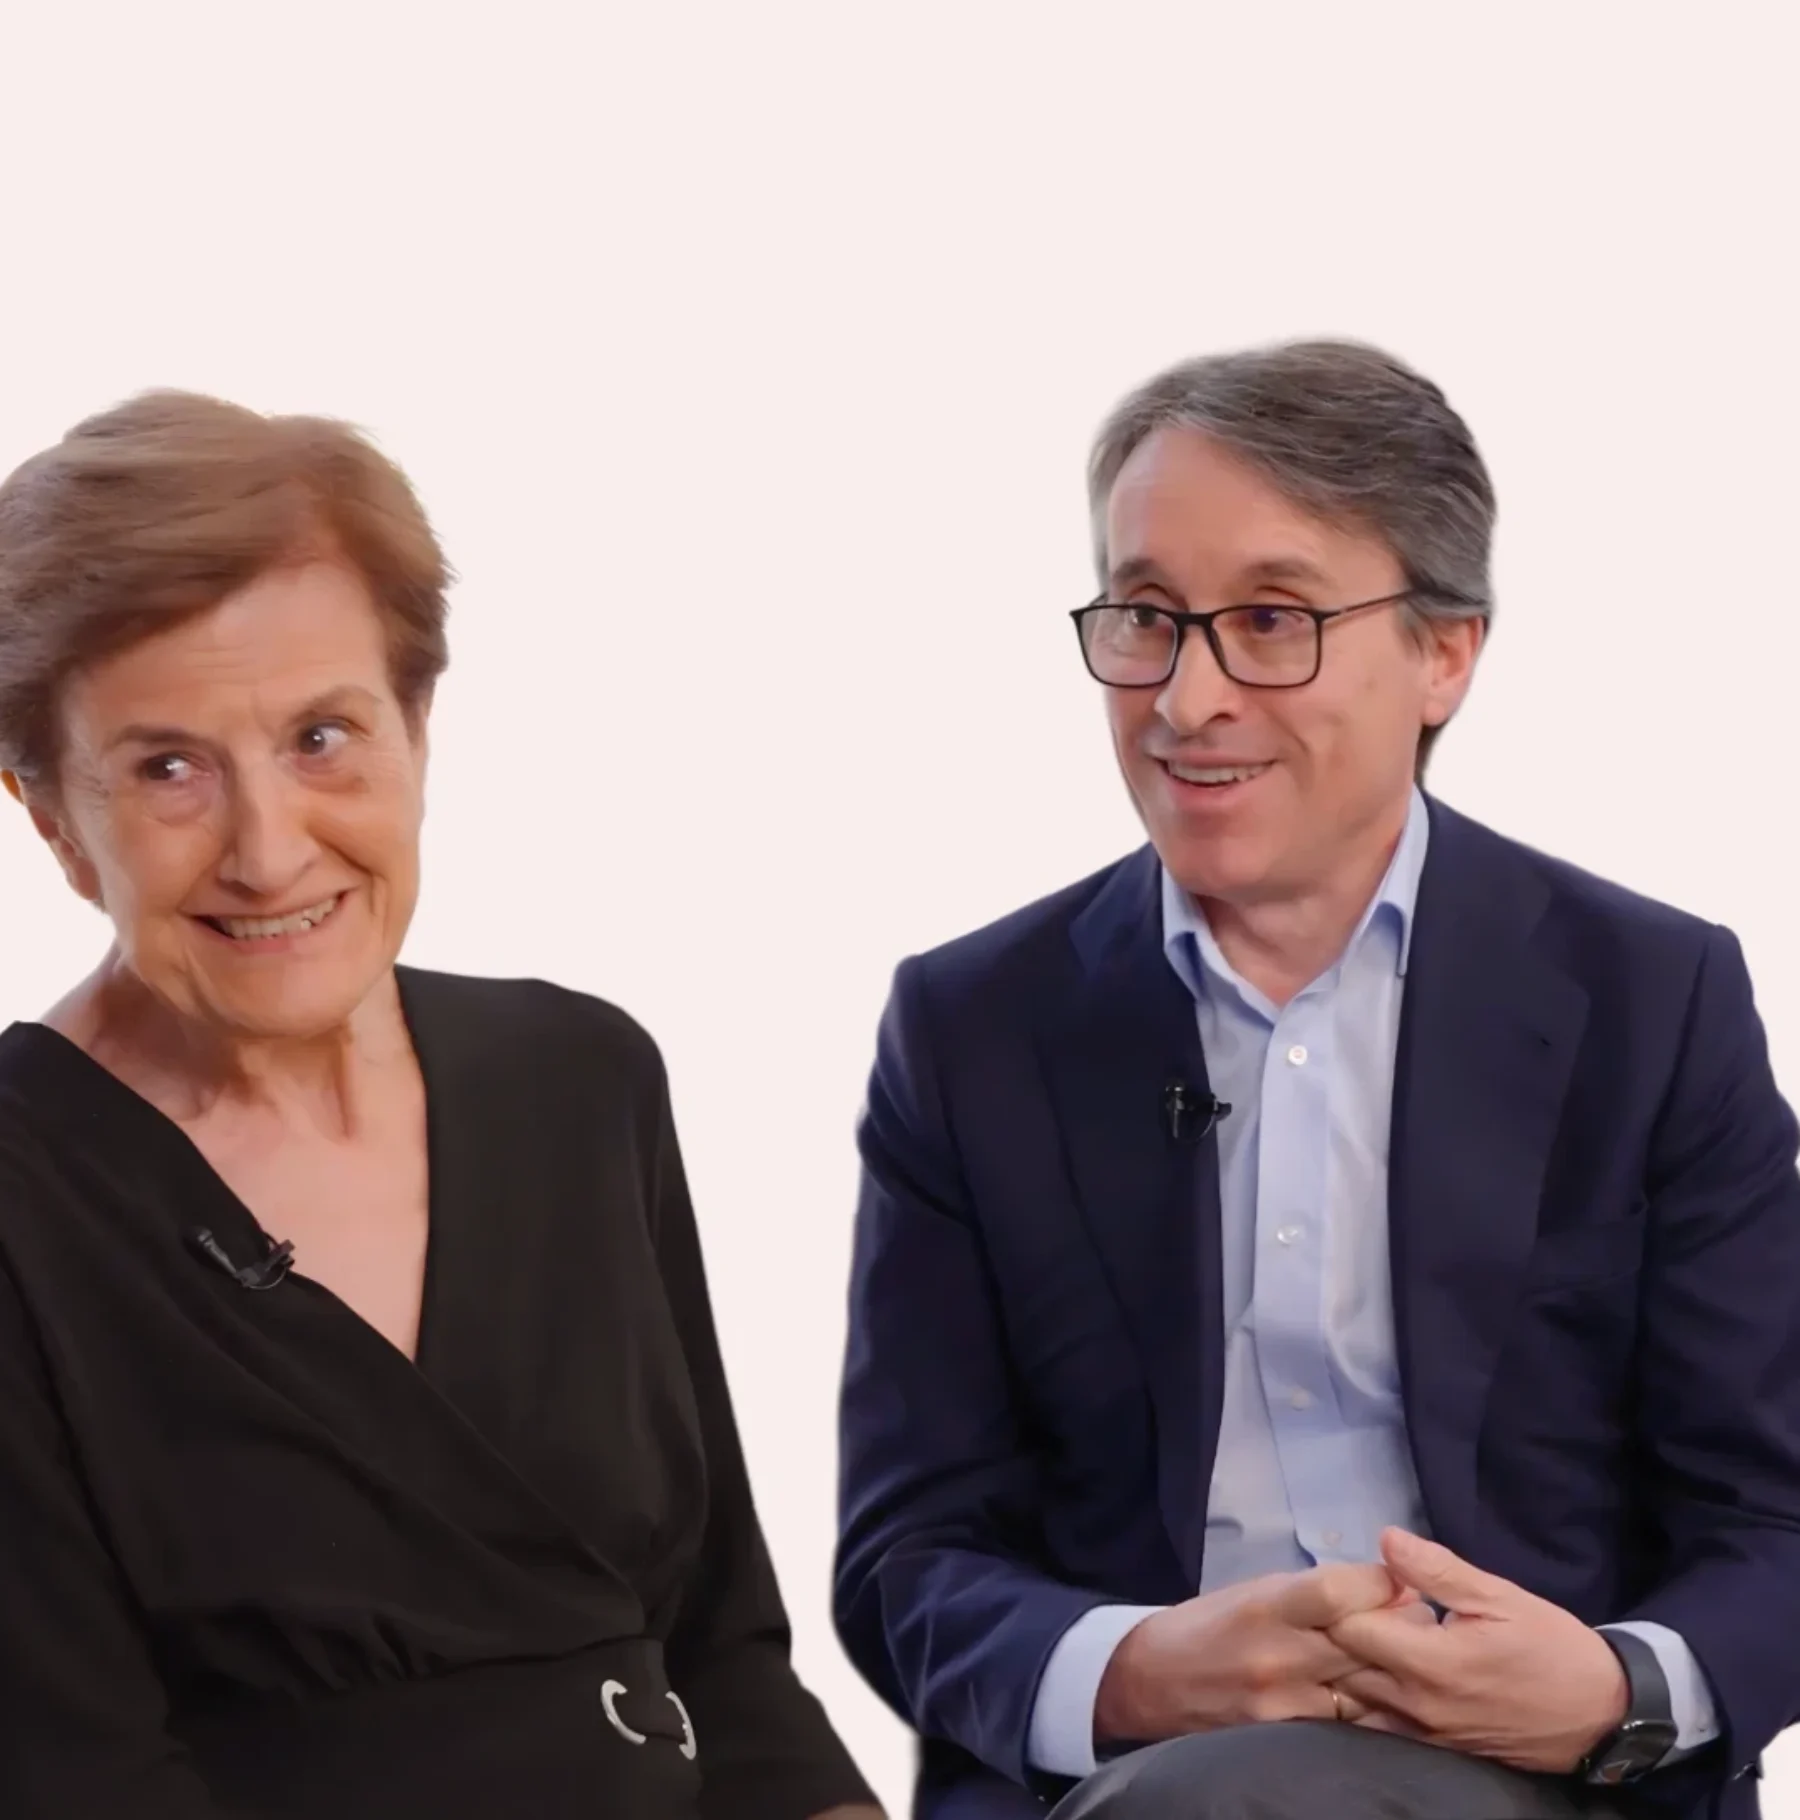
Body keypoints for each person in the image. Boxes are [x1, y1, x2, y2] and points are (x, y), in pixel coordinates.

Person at [831, 338, 1800, 1820]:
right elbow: (910, 1552)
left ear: (1445, 651)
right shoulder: (972, 1027)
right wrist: (1134, 1670)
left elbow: (1771, 1514)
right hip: (1136, 1790)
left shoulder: (1650, 1000)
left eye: (1271, 621)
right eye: (1148, 618)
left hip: (1554, 1785)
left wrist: (1611, 1692)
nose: (1187, 699)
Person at [0, 392, 881, 1820]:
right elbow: (77, 1780)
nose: (269, 850)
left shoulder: (582, 1077)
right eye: (168, 768)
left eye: (322, 737)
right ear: (50, 817)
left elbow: (723, 1656)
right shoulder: (25, 1197)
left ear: (416, 727)